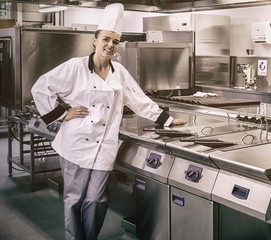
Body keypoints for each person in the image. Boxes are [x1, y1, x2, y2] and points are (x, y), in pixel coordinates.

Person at [30, 3, 186, 239]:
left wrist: (167, 120)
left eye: (115, 41)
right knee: (74, 199)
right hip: (75, 145)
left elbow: (138, 99)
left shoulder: (119, 72)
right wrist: (62, 115)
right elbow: (41, 87)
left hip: (104, 146)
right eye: (106, 39)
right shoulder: (76, 67)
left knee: (96, 199)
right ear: (95, 40)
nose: (110, 45)